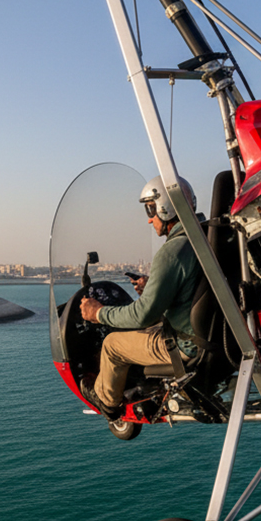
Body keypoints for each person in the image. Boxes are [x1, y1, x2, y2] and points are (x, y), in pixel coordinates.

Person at [78, 174, 202, 420]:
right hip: (207, 337)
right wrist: (153, 286)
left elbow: (143, 314)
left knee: (112, 344)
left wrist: (98, 313)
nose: (149, 220)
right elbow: (190, 288)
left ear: (165, 209)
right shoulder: (200, 238)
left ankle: (107, 401)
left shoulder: (173, 251)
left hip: (185, 346)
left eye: (151, 210)